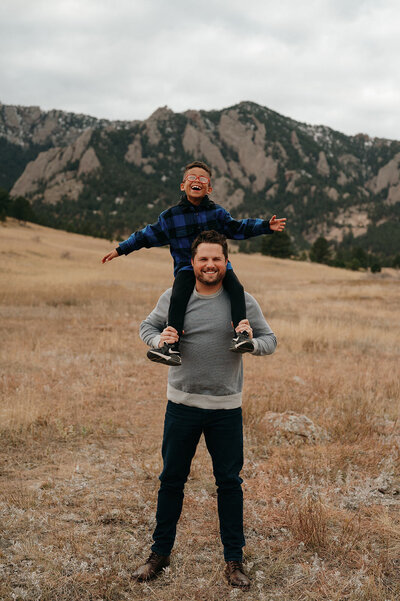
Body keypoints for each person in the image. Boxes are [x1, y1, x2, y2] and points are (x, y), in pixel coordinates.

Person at [134, 230, 277, 590]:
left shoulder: (241, 299)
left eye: (217, 259)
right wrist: (158, 340)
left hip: (225, 409)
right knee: (171, 481)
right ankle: (159, 554)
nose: (210, 265)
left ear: (226, 263)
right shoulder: (175, 297)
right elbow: (146, 326)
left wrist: (251, 343)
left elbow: (270, 340)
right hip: (181, 405)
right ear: (193, 263)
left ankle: (234, 561)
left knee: (229, 484)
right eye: (203, 259)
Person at [102, 161, 285, 366]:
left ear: (209, 188)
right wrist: (121, 249)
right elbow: (145, 236)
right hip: (186, 268)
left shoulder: (217, 213)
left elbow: (239, 227)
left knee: (237, 289)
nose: (197, 181)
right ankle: (170, 347)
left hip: (219, 268)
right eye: (192, 178)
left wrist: (265, 227)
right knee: (178, 297)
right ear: (183, 185)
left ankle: (242, 335)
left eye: (202, 179)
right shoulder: (170, 217)